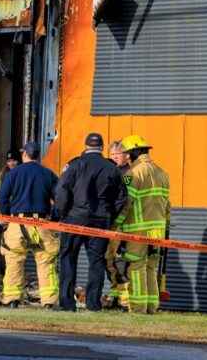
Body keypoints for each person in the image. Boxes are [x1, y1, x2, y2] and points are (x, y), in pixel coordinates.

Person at [55, 133, 127, 312]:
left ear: (86, 146)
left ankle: (67, 303)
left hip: (74, 219)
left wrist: (63, 214)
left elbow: (62, 191)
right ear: (102, 148)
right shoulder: (111, 168)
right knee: (96, 261)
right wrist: (110, 217)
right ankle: (93, 303)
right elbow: (121, 197)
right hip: (100, 221)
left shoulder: (75, 165)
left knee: (68, 259)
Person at [0, 141, 60, 308]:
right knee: (46, 261)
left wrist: (6, 217)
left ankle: (12, 299)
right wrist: (53, 217)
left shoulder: (13, 173)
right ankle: (49, 302)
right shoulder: (48, 174)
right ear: (38, 155)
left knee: (14, 260)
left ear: (24, 154)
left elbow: (2, 198)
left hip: (17, 223)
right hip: (41, 223)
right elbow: (60, 199)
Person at [116, 135, 170, 314]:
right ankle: (152, 307)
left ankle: (138, 307)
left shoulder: (130, 174)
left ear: (132, 154)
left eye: (125, 153)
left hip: (137, 231)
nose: (124, 157)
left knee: (136, 267)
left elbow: (125, 202)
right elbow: (167, 205)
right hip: (158, 231)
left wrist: (116, 224)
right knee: (151, 268)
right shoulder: (162, 172)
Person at [105, 141, 131, 310]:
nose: (114, 157)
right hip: (111, 224)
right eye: (112, 154)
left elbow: (126, 200)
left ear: (126, 155)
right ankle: (115, 293)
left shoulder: (129, 173)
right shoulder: (110, 171)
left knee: (122, 262)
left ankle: (125, 299)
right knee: (109, 260)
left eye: (117, 154)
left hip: (124, 225)